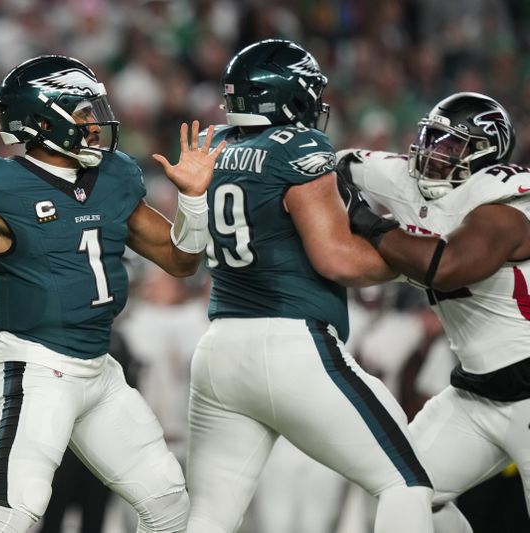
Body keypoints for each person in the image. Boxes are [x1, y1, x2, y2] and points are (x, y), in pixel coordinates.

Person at [0, 54, 226, 533]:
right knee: (11, 515)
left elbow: (181, 261)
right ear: (42, 121)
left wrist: (193, 199)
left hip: (99, 371)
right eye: (83, 112)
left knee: (168, 504)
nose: (96, 123)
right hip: (37, 368)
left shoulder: (116, 175)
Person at [185, 39, 434, 533]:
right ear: (287, 97)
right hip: (290, 344)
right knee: (406, 484)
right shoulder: (297, 146)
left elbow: (186, 249)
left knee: (209, 519)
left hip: (218, 350)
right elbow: (337, 259)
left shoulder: (210, 147)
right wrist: (408, 264)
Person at [337, 91, 530, 533]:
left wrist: (368, 222)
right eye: (431, 138)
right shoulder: (409, 181)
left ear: (485, 153)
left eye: (450, 145)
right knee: (401, 489)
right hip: (475, 394)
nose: (432, 153)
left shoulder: (504, 206)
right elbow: (339, 165)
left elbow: (448, 267)